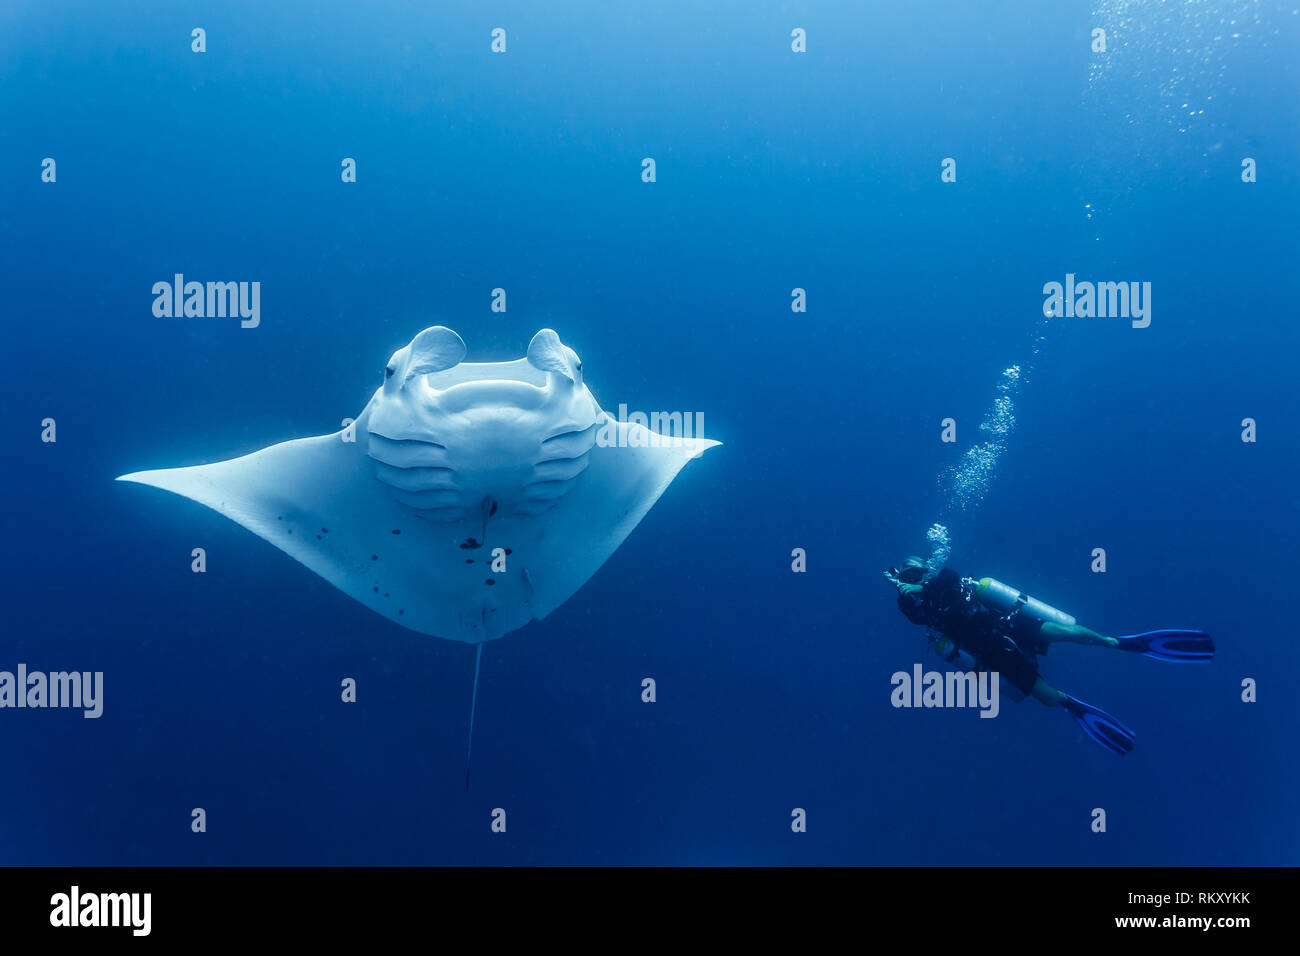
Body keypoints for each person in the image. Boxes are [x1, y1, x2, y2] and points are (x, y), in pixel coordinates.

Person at [883, 556, 1215, 755]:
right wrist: (900, 588)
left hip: (1007, 623)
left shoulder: (943, 579)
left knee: (1070, 634)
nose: (914, 578)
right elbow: (912, 615)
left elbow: (949, 576)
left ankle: (1117, 642)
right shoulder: (917, 608)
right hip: (991, 653)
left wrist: (920, 585)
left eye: (916, 571)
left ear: (926, 567)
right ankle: (1074, 706)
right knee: (1043, 696)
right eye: (908, 575)